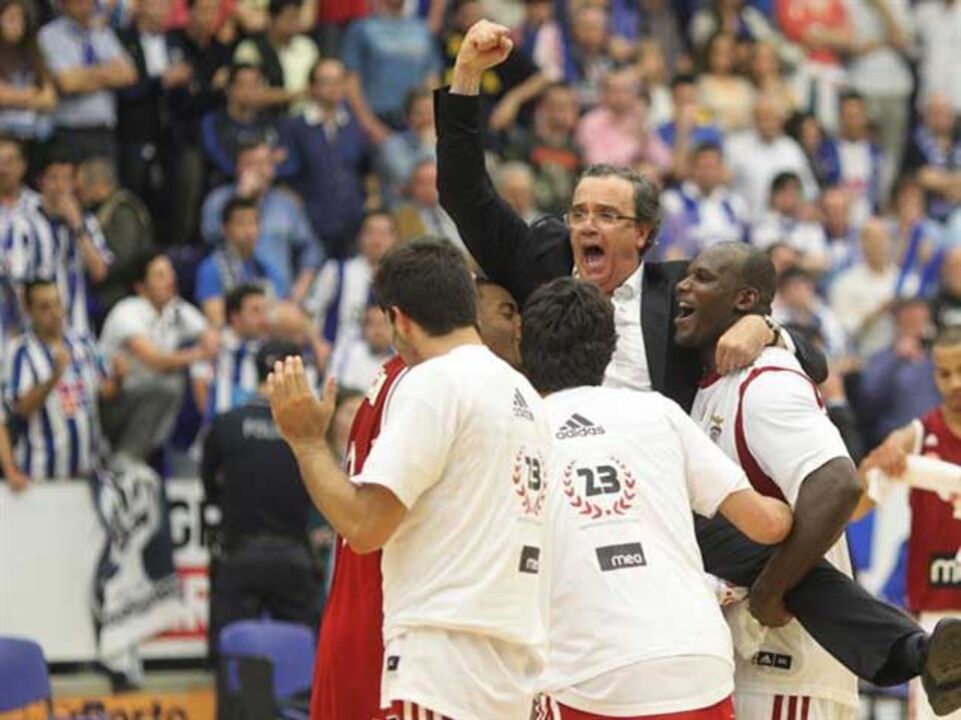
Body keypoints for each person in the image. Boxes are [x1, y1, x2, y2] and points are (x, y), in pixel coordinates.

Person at [437, 18, 961, 704]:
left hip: (656, 474)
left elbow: (815, 356)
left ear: (644, 234)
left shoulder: (679, 292)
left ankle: (916, 654)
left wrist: (768, 333)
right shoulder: (541, 260)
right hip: (551, 458)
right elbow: (463, 194)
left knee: (774, 553)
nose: (585, 227)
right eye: (577, 213)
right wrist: (467, 76)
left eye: (604, 216)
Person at [672, 242, 961, 717]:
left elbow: (839, 487)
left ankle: (917, 650)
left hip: (788, 665)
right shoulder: (714, 382)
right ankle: (916, 651)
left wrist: (769, 590)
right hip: (750, 655)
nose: (683, 285)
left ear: (745, 300)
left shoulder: (766, 383)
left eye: (702, 277)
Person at [268, 238, 551, 718]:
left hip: (441, 662)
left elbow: (364, 526)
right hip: (513, 663)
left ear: (398, 319)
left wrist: (307, 443)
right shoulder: (521, 389)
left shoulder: (432, 381)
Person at [524, 277, 793, 719]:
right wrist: (791, 506)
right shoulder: (657, 411)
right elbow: (765, 525)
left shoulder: (518, 430)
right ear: (610, 348)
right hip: (696, 662)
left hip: (587, 673)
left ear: (524, 347)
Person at [857, 326, 961, 719]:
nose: (954, 383)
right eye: (944, 373)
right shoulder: (918, 435)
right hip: (939, 619)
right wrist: (877, 462)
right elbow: (855, 504)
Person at [202, 338, 319, 650]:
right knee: (305, 659)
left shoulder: (226, 424)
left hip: (239, 553)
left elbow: (209, 486)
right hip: (294, 554)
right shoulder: (308, 430)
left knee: (232, 661)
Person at [99, 250, 217, 459]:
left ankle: (154, 453)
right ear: (141, 287)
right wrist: (199, 353)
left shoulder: (175, 308)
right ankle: (125, 458)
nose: (170, 280)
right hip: (112, 400)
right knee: (168, 384)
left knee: (177, 381)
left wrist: (208, 344)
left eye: (170, 273)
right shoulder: (127, 312)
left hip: (145, 401)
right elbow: (155, 361)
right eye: (160, 275)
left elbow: (208, 332)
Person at [2, 279, 120, 481]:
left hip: (88, 472)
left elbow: (104, 392)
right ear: (29, 311)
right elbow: (21, 408)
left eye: (57, 303)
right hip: (41, 474)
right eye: (45, 307)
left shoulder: (84, 343)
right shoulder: (20, 352)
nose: (55, 313)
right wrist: (54, 377)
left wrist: (118, 378)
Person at [8, 150, 112, 336]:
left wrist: (77, 226)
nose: (60, 186)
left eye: (67, 179)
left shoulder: (86, 222)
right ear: (41, 181)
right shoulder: (22, 223)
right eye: (53, 178)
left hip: (78, 330)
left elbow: (99, 272)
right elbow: (17, 282)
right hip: (35, 333)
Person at [201, 140, 319, 300]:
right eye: (255, 164)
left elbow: (310, 250)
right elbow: (211, 236)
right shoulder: (218, 200)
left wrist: (299, 291)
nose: (263, 170)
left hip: (280, 298)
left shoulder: (286, 204)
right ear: (240, 168)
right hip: (233, 295)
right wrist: (241, 198)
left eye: (268, 163)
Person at [284, 58, 370, 259]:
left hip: (352, 220)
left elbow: (365, 167)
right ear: (312, 87)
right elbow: (286, 175)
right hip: (312, 223)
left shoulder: (353, 124)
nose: (334, 88)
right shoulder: (295, 126)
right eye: (327, 82)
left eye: (339, 81)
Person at [37, 0, 136, 162]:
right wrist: (107, 72)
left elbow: (128, 74)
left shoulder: (102, 33)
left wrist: (83, 75)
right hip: (69, 133)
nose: (85, 6)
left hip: (104, 133)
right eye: (78, 2)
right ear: (64, 4)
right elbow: (67, 84)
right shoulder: (49, 35)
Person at [302, 210, 400, 357]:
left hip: (387, 363)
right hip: (337, 361)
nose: (377, 240)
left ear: (396, 239)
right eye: (371, 232)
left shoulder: (404, 280)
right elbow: (307, 314)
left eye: (384, 233)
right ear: (360, 237)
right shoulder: (336, 271)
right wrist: (318, 345)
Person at [76, 156, 155, 319]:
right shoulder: (98, 211)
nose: (79, 195)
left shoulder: (123, 212)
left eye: (82, 189)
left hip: (120, 295)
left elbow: (121, 260)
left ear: (99, 185)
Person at [195, 195, 285, 326]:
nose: (249, 231)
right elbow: (217, 320)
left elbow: (282, 309)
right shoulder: (211, 268)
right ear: (226, 229)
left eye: (253, 223)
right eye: (241, 223)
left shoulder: (266, 267)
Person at [191, 283, 270, 421]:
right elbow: (201, 393)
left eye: (265, 311)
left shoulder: (270, 353)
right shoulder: (211, 347)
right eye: (256, 311)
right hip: (218, 432)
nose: (263, 319)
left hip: (256, 430)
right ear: (236, 317)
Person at [232, 0, 319, 115]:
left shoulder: (307, 46)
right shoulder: (250, 50)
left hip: (306, 119)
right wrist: (299, 94)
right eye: (289, 18)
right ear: (271, 19)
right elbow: (248, 95)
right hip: (265, 120)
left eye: (297, 17)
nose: (294, 23)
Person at [0, 0, 57, 142]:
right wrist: (32, 93)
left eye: (22, 19)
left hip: (33, 135)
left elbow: (49, 100)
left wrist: (13, 96)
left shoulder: (35, 54)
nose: (17, 25)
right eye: (11, 18)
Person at [327, 302, 392, 393]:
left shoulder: (400, 360)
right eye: (372, 324)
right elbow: (335, 388)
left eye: (382, 324)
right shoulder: (348, 352)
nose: (377, 331)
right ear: (363, 329)